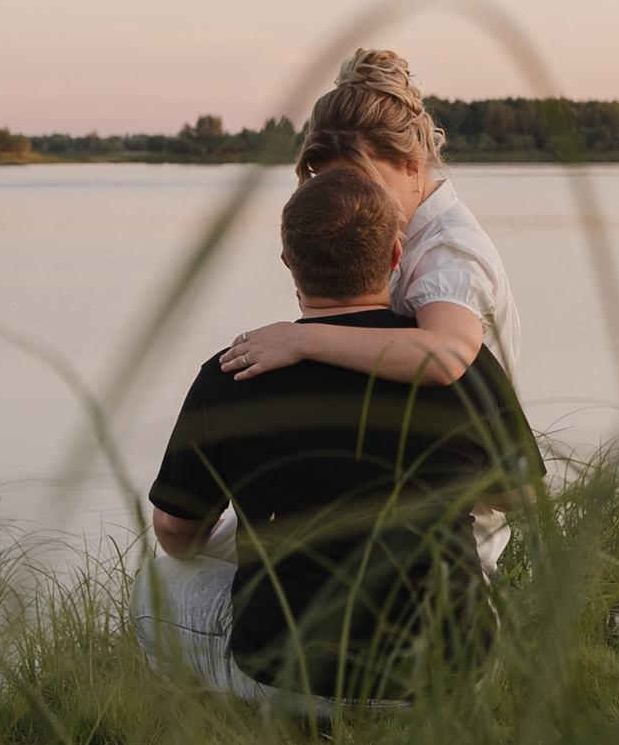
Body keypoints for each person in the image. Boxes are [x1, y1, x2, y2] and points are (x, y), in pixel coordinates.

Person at [142, 158, 542, 708]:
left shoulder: (231, 372)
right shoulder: (457, 362)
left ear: (288, 263)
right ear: (396, 257)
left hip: (291, 679)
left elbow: (176, 535)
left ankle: (207, 717)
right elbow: (517, 493)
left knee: (156, 584)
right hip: (450, 678)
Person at [218, 46, 522, 392]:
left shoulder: (449, 250)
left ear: (413, 166)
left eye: (364, 182)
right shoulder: (396, 232)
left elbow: (444, 356)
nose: (352, 199)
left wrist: (299, 339)